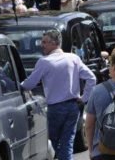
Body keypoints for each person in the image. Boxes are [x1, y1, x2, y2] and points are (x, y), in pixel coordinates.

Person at [21, 29, 96, 160]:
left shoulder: (44, 62)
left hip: (56, 109)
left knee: (55, 141)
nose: (41, 45)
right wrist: (84, 99)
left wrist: (18, 85)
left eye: (44, 42)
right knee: (67, 142)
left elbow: (29, 84)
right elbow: (92, 78)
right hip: (73, 107)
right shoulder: (73, 58)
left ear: (54, 43)